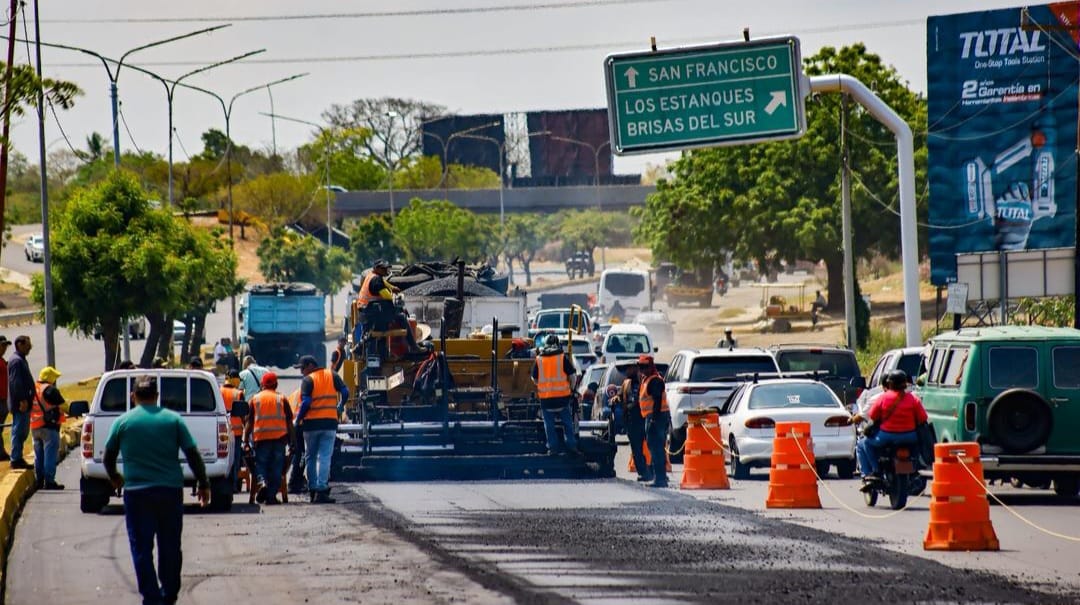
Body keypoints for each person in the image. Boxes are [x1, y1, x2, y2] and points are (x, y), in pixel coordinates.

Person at [104, 376, 210, 605]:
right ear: (157, 396)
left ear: (133, 396)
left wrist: (115, 477)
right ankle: (169, 593)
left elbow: (108, 456)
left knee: (141, 547)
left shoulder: (123, 422)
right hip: (170, 491)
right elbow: (192, 454)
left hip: (136, 493)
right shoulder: (173, 420)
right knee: (170, 545)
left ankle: (151, 597)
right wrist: (203, 483)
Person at [852, 370, 928, 488]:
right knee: (915, 450)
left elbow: (873, 416)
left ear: (890, 383)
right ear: (905, 384)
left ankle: (876, 471)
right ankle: (913, 469)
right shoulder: (914, 399)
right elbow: (923, 418)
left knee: (864, 443)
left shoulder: (883, 398)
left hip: (886, 437)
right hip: (910, 437)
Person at [294, 355, 349, 503]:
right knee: (325, 457)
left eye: (303, 368)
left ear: (311, 365)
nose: (302, 372)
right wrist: (340, 405)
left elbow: (306, 402)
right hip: (329, 424)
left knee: (310, 457)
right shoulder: (332, 375)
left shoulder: (308, 380)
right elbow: (345, 392)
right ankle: (322, 489)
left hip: (311, 425)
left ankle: (313, 489)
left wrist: (298, 419)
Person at [244, 372, 294, 505]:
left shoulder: (255, 399)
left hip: (261, 439)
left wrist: (245, 441)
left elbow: (249, 422)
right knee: (277, 468)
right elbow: (289, 422)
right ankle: (271, 497)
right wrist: (292, 442)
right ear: (276, 384)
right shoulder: (282, 398)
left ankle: (262, 482)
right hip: (279, 440)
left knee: (261, 464)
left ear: (262, 385)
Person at [530, 334, 580, 457]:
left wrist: (542, 386)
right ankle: (571, 445)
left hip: (546, 400)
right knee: (567, 423)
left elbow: (534, 378)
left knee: (549, 424)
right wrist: (572, 389)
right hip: (562, 399)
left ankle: (553, 448)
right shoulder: (562, 357)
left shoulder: (539, 359)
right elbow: (573, 375)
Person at [355, 259, 420, 351]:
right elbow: (388, 297)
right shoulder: (376, 280)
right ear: (377, 268)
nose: (386, 271)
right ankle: (413, 346)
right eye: (384, 269)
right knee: (401, 317)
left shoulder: (371, 275)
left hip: (365, 312)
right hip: (371, 314)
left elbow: (385, 283)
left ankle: (382, 351)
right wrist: (395, 296)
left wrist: (392, 288)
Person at [30, 366, 66, 490]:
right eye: (54, 377)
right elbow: (64, 405)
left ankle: (39, 480)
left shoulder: (33, 388)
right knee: (50, 455)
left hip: (34, 426)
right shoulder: (50, 390)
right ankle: (49, 481)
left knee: (38, 455)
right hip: (48, 427)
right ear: (50, 378)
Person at [638, 355, 669, 488]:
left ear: (651, 367)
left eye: (645, 366)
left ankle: (660, 479)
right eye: (640, 366)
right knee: (655, 448)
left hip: (656, 418)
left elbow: (656, 402)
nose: (642, 369)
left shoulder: (654, 381)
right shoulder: (647, 380)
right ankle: (660, 477)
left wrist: (653, 421)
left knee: (656, 449)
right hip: (652, 417)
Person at [616, 362, 650, 482]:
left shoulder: (644, 382)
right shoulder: (626, 383)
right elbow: (620, 396)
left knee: (651, 446)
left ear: (635, 369)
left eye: (629, 369)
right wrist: (616, 398)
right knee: (636, 449)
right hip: (631, 421)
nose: (626, 372)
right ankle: (643, 472)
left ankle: (653, 471)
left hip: (644, 419)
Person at [8, 335, 34, 470]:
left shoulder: (21, 360)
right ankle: (15, 458)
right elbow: (15, 383)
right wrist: (23, 400)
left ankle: (18, 456)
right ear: (19, 344)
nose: (30, 348)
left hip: (23, 403)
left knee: (22, 431)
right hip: (20, 404)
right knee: (19, 431)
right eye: (27, 345)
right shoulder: (16, 361)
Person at [220, 370, 246, 493]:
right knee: (235, 459)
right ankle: (234, 485)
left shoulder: (218, 391)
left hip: (221, 433)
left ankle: (224, 484)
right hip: (236, 432)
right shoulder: (239, 393)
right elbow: (243, 415)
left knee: (223, 459)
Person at [285, 387, 307, 494]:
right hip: (299, 425)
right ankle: (293, 482)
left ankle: (296, 480)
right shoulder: (304, 393)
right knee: (301, 455)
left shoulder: (294, 393)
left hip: (292, 427)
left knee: (297, 454)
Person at [0, 335, 11, 462]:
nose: (4, 348)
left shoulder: (3, 360)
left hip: (4, 398)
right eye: (2, 345)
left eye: (5, 346)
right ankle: (1, 453)